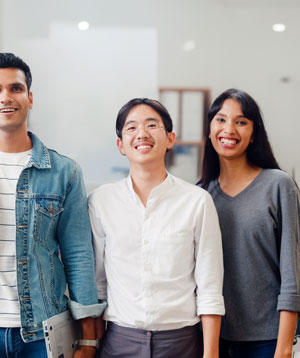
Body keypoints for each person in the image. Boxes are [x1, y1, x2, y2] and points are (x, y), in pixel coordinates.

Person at [0, 52, 104, 358]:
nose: (5, 97)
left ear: (30, 97)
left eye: (15, 88)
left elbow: (79, 255)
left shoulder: (64, 172)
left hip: (45, 334)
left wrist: (89, 339)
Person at [88, 98, 225, 358]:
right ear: (120, 145)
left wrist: (211, 354)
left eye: (152, 125)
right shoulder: (101, 201)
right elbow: (98, 284)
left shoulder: (197, 201)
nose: (142, 134)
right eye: (131, 128)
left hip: (182, 342)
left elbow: (209, 287)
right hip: (119, 341)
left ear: (170, 138)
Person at [198, 89, 300, 358]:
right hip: (213, 339)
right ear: (209, 130)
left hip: (268, 340)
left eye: (241, 122)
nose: (229, 129)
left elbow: (293, 274)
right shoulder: (200, 195)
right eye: (220, 120)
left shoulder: (279, 185)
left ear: (254, 133)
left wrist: (284, 348)